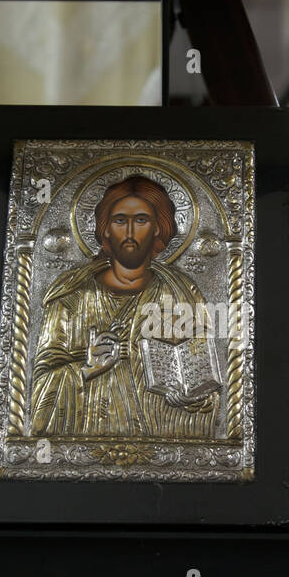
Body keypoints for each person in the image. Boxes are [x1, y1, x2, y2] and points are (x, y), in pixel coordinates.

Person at [29, 175, 218, 439]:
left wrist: (191, 398)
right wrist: (86, 369)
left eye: (141, 220)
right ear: (106, 229)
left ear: (157, 229)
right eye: (120, 220)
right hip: (86, 436)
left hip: (159, 439)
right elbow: (38, 387)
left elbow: (208, 382)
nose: (129, 232)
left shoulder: (181, 293)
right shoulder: (71, 295)